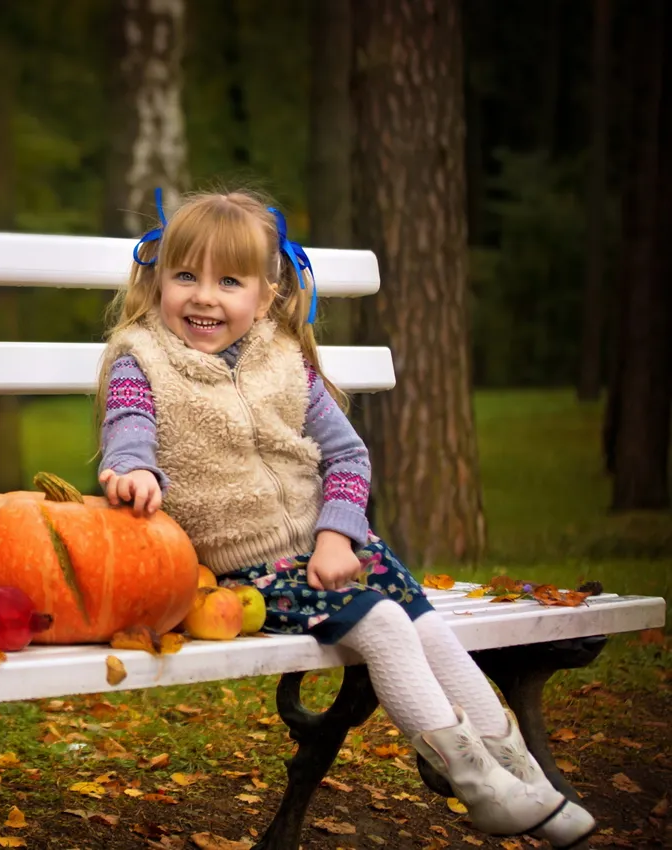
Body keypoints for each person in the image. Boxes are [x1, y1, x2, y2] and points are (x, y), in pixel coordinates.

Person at [95, 188, 594, 848]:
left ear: (266, 295)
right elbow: (129, 425)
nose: (204, 297)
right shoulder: (142, 358)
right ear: (159, 280)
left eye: (229, 281)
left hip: (333, 548)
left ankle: (519, 775)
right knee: (385, 623)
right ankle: (478, 788)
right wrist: (131, 471)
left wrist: (337, 533)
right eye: (185, 276)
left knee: (430, 629)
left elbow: (347, 456)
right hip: (246, 567)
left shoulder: (285, 362)